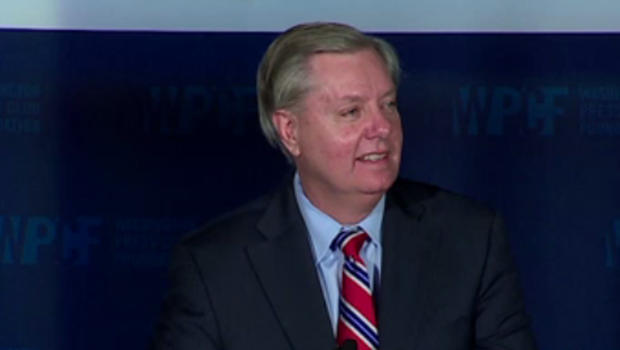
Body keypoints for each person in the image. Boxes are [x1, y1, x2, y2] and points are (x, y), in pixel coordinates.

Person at [152, 22, 538, 350]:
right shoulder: (215, 266)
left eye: (388, 105)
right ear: (290, 130)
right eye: (351, 112)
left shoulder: (470, 239)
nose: (382, 128)